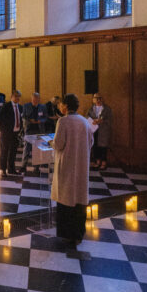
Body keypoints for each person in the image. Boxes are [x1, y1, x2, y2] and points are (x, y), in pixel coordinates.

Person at [51, 94, 93, 245]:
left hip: (67, 165)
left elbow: (58, 144)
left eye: (61, 104)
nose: (60, 107)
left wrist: (50, 143)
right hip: (81, 165)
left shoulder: (63, 121)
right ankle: (78, 234)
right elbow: (91, 141)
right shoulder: (84, 121)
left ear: (66, 106)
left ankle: (67, 235)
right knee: (79, 198)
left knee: (66, 197)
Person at [0, 89, 24, 176]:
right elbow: (0, 119)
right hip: (6, 133)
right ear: (11, 97)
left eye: (19, 97)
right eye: (16, 96)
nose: (17, 98)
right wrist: (3, 130)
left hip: (16, 133)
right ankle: (3, 169)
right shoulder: (6, 106)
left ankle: (11, 169)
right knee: (4, 151)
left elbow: (20, 119)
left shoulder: (20, 107)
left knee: (13, 151)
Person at [86, 94, 112, 169]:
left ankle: (103, 163)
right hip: (94, 130)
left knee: (103, 147)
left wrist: (102, 121)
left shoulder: (107, 109)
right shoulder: (91, 108)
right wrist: (93, 121)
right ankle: (97, 162)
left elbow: (110, 120)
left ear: (102, 99)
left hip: (103, 131)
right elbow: (87, 117)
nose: (98, 100)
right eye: (96, 98)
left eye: (99, 98)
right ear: (93, 99)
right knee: (95, 146)